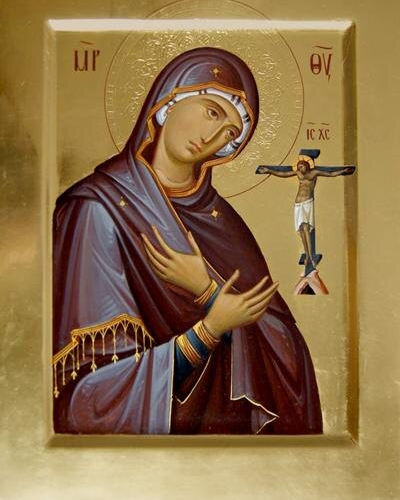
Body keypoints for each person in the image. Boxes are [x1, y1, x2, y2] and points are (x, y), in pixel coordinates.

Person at [53, 47, 322, 435]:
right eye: (212, 112)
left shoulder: (223, 222)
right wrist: (208, 330)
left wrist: (207, 291)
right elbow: (92, 394)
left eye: (230, 133)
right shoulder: (97, 208)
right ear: (170, 99)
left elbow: (287, 354)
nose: (211, 137)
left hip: (231, 447)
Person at [262, 159, 353, 269]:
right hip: (298, 203)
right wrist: (269, 171)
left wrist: (343, 171)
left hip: (307, 203)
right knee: (301, 231)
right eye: (299, 167)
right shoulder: (298, 173)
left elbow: (330, 174)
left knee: (306, 229)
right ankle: (307, 256)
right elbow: (283, 174)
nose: (300, 169)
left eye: (302, 166)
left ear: (306, 165)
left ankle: (311, 257)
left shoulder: (314, 173)